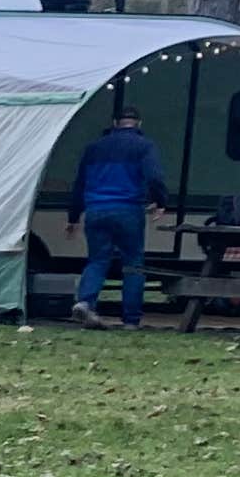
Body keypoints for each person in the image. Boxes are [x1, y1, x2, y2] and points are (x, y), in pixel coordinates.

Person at [70, 101, 170, 327]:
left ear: (114, 123)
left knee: (97, 260)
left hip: (95, 210)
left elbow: (79, 184)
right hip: (128, 210)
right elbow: (154, 177)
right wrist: (160, 201)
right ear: (139, 123)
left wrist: (73, 216)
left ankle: (85, 303)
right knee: (133, 264)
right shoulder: (144, 146)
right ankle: (131, 320)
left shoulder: (93, 148)